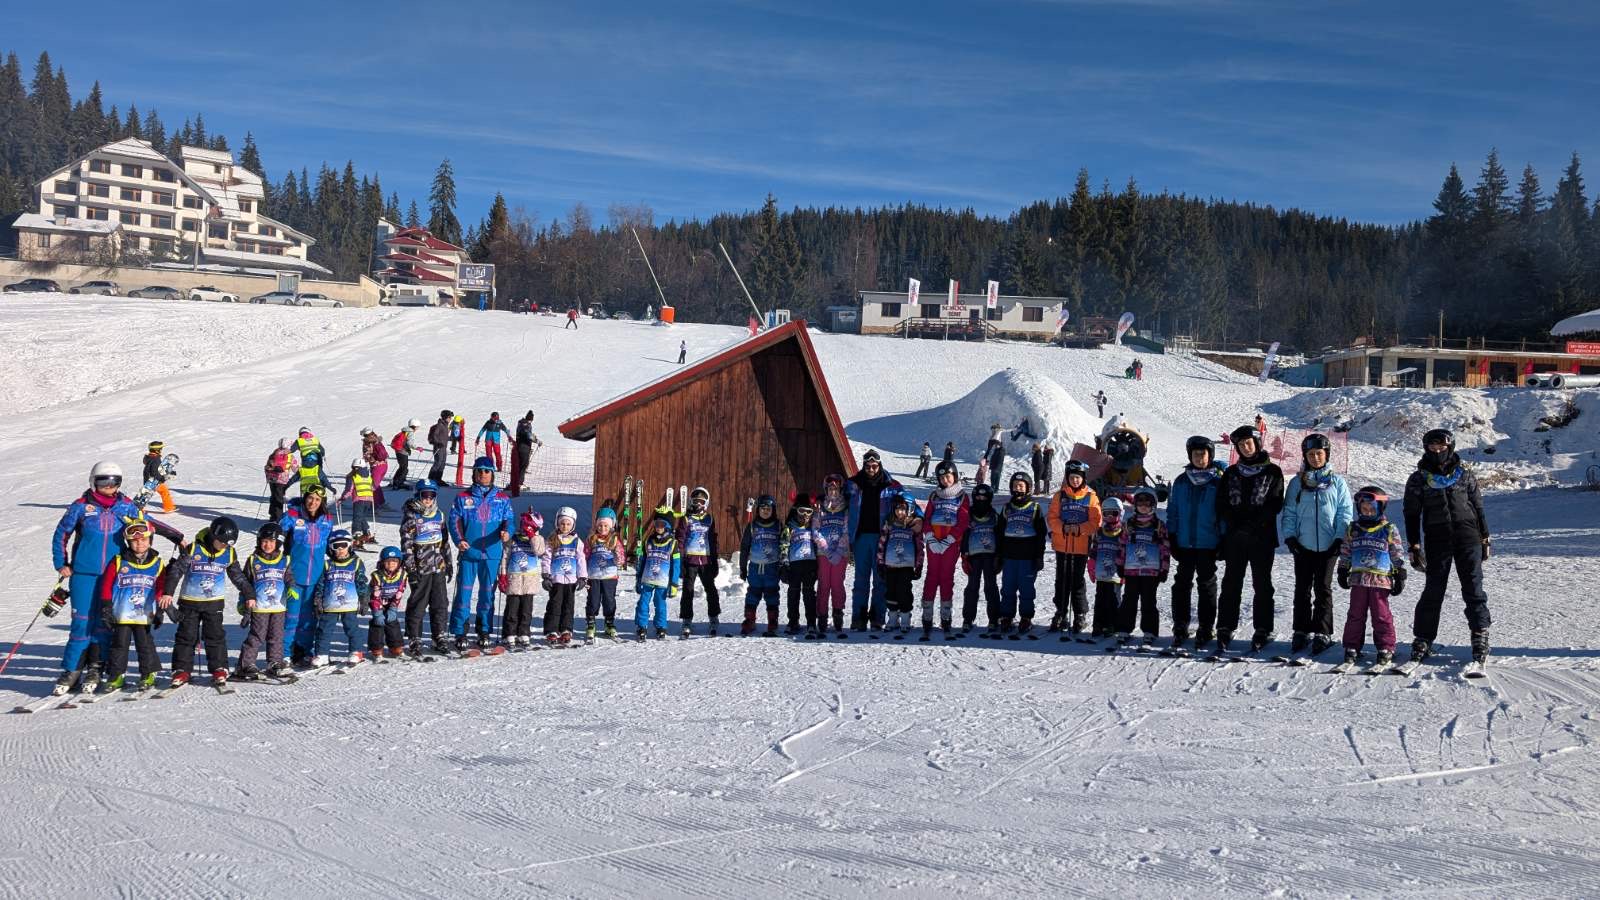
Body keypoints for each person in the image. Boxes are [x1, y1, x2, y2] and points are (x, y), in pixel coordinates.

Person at [50, 461, 184, 694]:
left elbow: (147, 523)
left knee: (105, 624)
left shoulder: (125, 506)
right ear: (93, 481)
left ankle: (96, 668)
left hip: (115, 574)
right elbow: (62, 533)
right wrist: (61, 563)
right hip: (84, 573)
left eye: (115, 482)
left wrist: (176, 536)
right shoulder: (80, 507)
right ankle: (72, 670)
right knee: (81, 622)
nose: (109, 486)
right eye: (104, 481)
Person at [1403, 428, 1492, 670]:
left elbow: (1478, 506)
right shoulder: (1419, 478)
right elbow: (1411, 513)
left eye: (1441, 446)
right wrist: (1414, 545)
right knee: (1434, 589)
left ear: (1450, 447)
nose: (1437, 450)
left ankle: (1480, 633)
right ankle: (1423, 637)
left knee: (1473, 586)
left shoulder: (1464, 475)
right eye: (1432, 447)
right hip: (1437, 538)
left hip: (1468, 537)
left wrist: (1485, 537)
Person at [1279, 433, 1353, 659]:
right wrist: (1290, 537)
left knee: (1323, 588)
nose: (1315, 457)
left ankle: (1322, 631)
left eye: (1319, 453)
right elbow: (1289, 512)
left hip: (1329, 545)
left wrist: (1339, 538)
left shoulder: (1337, 482)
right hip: (1304, 544)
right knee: (1302, 588)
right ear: (1305, 456)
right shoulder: (1297, 483)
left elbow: (1344, 513)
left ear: (1326, 455)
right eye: (1311, 454)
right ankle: (1301, 630)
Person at [161, 516, 254, 689]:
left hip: (214, 603)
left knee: (215, 636)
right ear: (213, 536)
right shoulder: (193, 549)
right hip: (189, 602)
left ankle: (219, 668)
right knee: (186, 636)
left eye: (228, 543)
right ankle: (181, 669)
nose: (224, 546)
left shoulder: (228, 553)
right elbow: (176, 571)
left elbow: (238, 577)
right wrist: (168, 593)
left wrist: (249, 595)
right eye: (222, 542)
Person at [1217, 424, 1286, 655]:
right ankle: (1225, 626)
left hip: (1262, 537)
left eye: (1249, 443)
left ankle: (1263, 628)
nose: (1246, 447)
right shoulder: (1231, 473)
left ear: (1257, 443)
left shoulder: (1273, 472)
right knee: (1231, 583)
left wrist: (1252, 524)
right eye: (1241, 444)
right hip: (1235, 538)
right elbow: (1222, 503)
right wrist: (1235, 524)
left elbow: (1274, 503)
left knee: (1262, 584)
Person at [1337, 486, 1408, 671]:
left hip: (1380, 581)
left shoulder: (1388, 529)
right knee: (1355, 614)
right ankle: (1352, 646)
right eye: (1364, 509)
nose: (1367, 512)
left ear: (1380, 508)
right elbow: (1346, 551)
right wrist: (1343, 569)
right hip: (1358, 580)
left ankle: (1386, 647)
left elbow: (1396, 553)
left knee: (1381, 615)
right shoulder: (1353, 529)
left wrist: (1399, 572)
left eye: (1371, 508)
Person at [448, 456, 514, 652]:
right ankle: (460, 631)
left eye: (487, 471)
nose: (483, 474)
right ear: (474, 473)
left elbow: (509, 520)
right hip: (470, 552)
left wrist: (507, 532)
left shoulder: (502, 499)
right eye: (479, 471)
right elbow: (454, 521)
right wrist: (459, 540)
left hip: (492, 553)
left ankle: (484, 630)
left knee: (487, 594)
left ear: (492, 474)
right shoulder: (463, 497)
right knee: (464, 594)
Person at [95, 516, 167, 694]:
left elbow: (161, 587)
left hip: (144, 614)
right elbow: (107, 584)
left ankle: (148, 673)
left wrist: (160, 609)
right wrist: (106, 606)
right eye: (134, 541)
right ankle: (116, 675)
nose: (139, 544)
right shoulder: (119, 561)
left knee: (145, 644)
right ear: (128, 542)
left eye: (143, 540)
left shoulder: (157, 563)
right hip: (122, 613)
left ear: (150, 540)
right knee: (119, 644)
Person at [1168, 436, 1225, 652]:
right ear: (1190, 456)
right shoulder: (1181, 481)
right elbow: (1173, 511)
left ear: (1210, 456)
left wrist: (1223, 539)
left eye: (1203, 454)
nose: (1200, 458)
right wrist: (1172, 536)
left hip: (1208, 543)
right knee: (1181, 585)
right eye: (1196, 454)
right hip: (1184, 542)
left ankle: (1205, 627)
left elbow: (1223, 514)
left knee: (1206, 585)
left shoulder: (1217, 482)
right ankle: (1180, 625)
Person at [845, 450, 901, 632]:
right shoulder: (853, 484)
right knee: (860, 579)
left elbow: (908, 503)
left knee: (880, 580)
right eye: (868, 466)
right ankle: (858, 618)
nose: (871, 469)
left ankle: (877, 617)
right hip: (860, 537)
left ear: (879, 465)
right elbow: (835, 497)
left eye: (874, 466)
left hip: (882, 538)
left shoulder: (891, 485)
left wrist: (917, 518)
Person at [279, 482, 335, 666]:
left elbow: (331, 546)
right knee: (291, 617)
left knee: (309, 619)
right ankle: (284, 653)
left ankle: (304, 651)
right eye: (310, 498)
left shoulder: (327, 520)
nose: (313, 502)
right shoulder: (292, 516)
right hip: (294, 576)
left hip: (316, 577)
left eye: (317, 499)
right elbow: (277, 538)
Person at [1047, 459, 1101, 635]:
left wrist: (1080, 528)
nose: (1075, 480)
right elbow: (1052, 518)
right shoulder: (1059, 496)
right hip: (1062, 545)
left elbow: (1096, 521)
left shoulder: (1091, 497)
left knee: (1077, 580)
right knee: (1061, 579)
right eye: (1072, 477)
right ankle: (1060, 611)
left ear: (1083, 478)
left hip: (1080, 546)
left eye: (1078, 477)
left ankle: (1079, 613)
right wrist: (1062, 527)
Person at [400, 479, 453, 657]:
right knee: (418, 604)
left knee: (440, 603)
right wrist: (411, 570)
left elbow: (444, 541)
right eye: (425, 495)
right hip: (420, 569)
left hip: (438, 567)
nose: (428, 499)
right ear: (418, 495)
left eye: (432, 495)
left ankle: (439, 636)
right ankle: (414, 638)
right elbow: (406, 546)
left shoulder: (439, 515)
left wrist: (448, 562)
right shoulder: (412, 517)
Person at [236, 523, 292, 681]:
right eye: (264, 541)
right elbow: (246, 583)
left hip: (278, 606)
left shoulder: (284, 560)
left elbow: (289, 578)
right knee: (257, 635)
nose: (267, 545)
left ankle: (275, 662)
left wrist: (292, 587)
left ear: (278, 543)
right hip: (259, 606)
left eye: (272, 542)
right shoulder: (253, 560)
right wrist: (243, 600)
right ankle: (246, 664)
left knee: (277, 635)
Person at [994, 471, 1047, 639]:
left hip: (1027, 557)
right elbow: (999, 533)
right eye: (1015, 486)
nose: (1018, 489)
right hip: (1009, 556)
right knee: (1008, 588)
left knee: (1026, 589)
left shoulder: (1035, 508)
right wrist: (998, 555)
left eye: (1021, 486)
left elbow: (1041, 535)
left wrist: (1039, 556)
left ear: (1028, 488)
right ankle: (1006, 616)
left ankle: (1026, 617)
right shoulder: (1007, 508)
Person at [1117, 487, 1171, 648]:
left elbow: (1165, 548)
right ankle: (1124, 628)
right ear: (1135, 505)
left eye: (1147, 505)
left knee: (1149, 601)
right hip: (1131, 570)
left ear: (1153, 506)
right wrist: (1120, 564)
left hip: (1151, 571)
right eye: (1140, 504)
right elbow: (1121, 545)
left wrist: (1164, 569)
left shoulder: (1158, 526)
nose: (1143, 508)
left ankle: (1150, 631)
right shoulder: (1129, 525)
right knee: (1129, 599)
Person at [920, 462, 969, 639]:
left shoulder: (962, 496)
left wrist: (950, 539)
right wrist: (929, 537)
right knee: (932, 576)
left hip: (950, 543)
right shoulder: (934, 496)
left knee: (946, 577)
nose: (945, 480)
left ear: (954, 476)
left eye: (948, 476)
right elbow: (927, 518)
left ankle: (945, 616)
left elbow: (964, 520)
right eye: (942, 477)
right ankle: (927, 615)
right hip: (934, 542)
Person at [310, 530, 368, 667]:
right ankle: (322, 654)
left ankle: (356, 651)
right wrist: (318, 600)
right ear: (331, 548)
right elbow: (321, 584)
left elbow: (361, 582)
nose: (340, 549)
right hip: (330, 604)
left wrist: (364, 598)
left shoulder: (356, 563)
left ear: (350, 545)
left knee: (352, 628)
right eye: (336, 546)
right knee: (324, 629)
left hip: (350, 604)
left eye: (343, 545)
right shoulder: (327, 564)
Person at [876, 490, 924, 639]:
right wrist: (880, 563)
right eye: (897, 508)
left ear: (910, 509)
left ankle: (905, 617)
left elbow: (919, 547)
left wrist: (919, 565)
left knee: (904, 591)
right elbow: (882, 544)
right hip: (891, 565)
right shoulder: (889, 525)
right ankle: (892, 617)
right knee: (890, 591)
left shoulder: (913, 526)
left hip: (906, 566)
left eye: (903, 509)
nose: (899, 512)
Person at [675, 487, 721, 635]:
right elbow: (680, 540)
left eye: (701, 502)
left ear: (706, 503)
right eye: (695, 501)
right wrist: (680, 562)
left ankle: (713, 617)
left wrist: (714, 561)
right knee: (688, 591)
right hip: (690, 561)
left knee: (711, 590)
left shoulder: (709, 519)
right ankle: (687, 619)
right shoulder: (686, 518)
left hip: (706, 561)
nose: (698, 504)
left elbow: (712, 541)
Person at [498, 512, 546, 649]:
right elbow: (505, 557)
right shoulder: (513, 539)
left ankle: (523, 632)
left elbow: (539, 551)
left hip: (529, 581)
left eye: (530, 527)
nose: (526, 530)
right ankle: (509, 633)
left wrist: (532, 536)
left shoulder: (538, 539)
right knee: (512, 609)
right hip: (514, 579)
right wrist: (502, 575)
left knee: (526, 610)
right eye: (525, 526)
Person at [780, 493, 824, 637]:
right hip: (794, 565)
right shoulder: (789, 527)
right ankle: (793, 621)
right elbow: (784, 546)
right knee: (793, 593)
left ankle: (811, 622)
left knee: (809, 594)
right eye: (802, 511)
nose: (805, 515)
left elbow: (818, 546)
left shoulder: (813, 528)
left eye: (808, 512)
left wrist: (818, 565)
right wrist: (784, 564)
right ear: (795, 510)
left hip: (810, 565)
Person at [542, 506, 587, 645]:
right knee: (555, 605)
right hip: (556, 579)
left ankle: (566, 630)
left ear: (572, 525)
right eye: (562, 523)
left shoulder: (577, 541)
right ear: (557, 523)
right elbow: (546, 558)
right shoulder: (552, 539)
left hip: (571, 580)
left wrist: (582, 577)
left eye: (568, 524)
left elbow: (581, 559)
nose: (565, 526)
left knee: (568, 606)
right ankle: (551, 630)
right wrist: (546, 575)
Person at [960, 483, 1001, 636]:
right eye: (978, 497)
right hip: (973, 556)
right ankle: (968, 619)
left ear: (989, 498)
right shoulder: (968, 515)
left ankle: (994, 619)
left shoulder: (994, 516)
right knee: (972, 587)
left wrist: (999, 556)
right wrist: (964, 555)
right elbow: (964, 536)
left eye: (984, 497)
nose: (981, 500)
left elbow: (1000, 536)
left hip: (990, 556)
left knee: (991, 587)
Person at [740, 495, 783, 636]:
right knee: (753, 594)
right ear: (758, 510)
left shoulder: (778, 526)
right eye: (762, 508)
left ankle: (772, 621)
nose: (765, 511)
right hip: (755, 567)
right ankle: (750, 619)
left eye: (768, 509)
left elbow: (784, 545)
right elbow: (745, 547)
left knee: (772, 594)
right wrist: (742, 567)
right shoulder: (752, 526)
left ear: (773, 510)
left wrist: (784, 566)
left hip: (772, 567)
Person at [635, 513, 681, 640]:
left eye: (662, 524)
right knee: (643, 603)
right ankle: (641, 626)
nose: (658, 527)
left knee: (660, 604)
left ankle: (661, 627)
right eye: (656, 524)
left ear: (668, 526)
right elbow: (642, 561)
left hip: (662, 581)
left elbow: (676, 565)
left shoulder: (673, 543)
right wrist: (638, 578)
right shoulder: (648, 541)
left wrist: (674, 583)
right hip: (648, 579)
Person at [815, 475, 850, 638]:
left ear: (840, 490)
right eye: (830, 489)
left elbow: (847, 530)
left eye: (835, 489)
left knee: (837, 584)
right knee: (824, 585)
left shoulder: (845, 508)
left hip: (840, 553)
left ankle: (838, 615)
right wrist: (826, 548)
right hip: (824, 553)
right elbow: (815, 529)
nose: (833, 491)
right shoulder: (820, 508)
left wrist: (839, 550)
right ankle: (822, 616)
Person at [1086, 497, 1126, 639]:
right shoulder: (1100, 531)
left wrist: (1125, 570)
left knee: (1113, 598)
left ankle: (1112, 624)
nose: (1109, 516)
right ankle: (1098, 624)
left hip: (1115, 574)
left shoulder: (1123, 532)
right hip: (1101, 572)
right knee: (1100, 598)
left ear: (1120, 513)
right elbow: (1094, 549)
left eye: (1113, 513)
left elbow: (1126, 552)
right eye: (1106, 513)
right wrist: (1091, 564)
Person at [585, 508, 625, 640]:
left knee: (609, 601)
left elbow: (621, 560)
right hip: (594, 576)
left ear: (611, 526)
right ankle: (591, 624)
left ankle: (609, 623)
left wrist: (618, 555)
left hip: (609, 576)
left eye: (606, 526)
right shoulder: (591, 539)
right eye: (600, 525)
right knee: (593, 601)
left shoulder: (614, 540)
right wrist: (583, 573)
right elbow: (584, 556)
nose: (602, 528)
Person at [368, 547, 409, 659]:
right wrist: (377, 612)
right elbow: (374, 595)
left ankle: (396, 647)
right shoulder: (377, 576)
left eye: (394, 561)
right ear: (382, 562)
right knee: (378, 623)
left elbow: (400, 592)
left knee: (392, 622)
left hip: (391, 602)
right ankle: (376, 649)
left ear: (399, 563)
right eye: (388, 561)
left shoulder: (402, 575)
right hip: (377, 602)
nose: (391, 564)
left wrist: (393, 607)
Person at [340, 458, 378, 550]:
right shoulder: (368, 476)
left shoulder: (353, 476)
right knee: (361, 517)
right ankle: (367, 533)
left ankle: (357, 537)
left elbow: (349, 490)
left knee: (357, 518)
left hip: (359, 500)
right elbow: (373, 487)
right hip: (369, 500)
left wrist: (343, 498)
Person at [510, 411, 542, 498]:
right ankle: (519, 483)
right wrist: (537, 441)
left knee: (519, 465)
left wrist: (532, 435)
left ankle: (514, 482)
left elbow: (525, 433)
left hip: (519, 445)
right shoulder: (526, 424)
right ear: (531, 419)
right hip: (524, 447)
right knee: (523, 465)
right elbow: (528, 435)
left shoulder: (520, 423)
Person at [141, 440, 176, 513]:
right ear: (157, 450)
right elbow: (156, 472)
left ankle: (139, 508)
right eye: (160, 449)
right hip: (155, 481)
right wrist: (163, 478)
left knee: (145, 495)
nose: (161, 450)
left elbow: (155, 469)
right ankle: (169, 508)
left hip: (148, 480)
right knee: (164, 492)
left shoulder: (149, 457)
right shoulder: (156, 459)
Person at [264, 438, 294, 521]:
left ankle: (272, 516)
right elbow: (295, 468)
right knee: (279, 498)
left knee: (274, 496)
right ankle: (278, 519)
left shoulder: (274, 453)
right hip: (282, 480)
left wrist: (268, 477)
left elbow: (267, 466)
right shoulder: (290, 456)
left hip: (272, 478)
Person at [293, 427, 330, 495]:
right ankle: (320, 494)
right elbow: (322, 450)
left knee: (308, 478)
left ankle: (308, 494)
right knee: (319, 477)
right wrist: (323, 455)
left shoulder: (299, 441)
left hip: (307, 464)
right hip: (318, 461)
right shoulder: (315, 440)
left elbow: (292, 449)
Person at [389, 418, 422, 490]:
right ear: (414, 426)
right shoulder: (410, 432)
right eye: (417, 427)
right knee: (404, 468)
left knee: (402, 467)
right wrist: (417, 448)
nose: (418, 428)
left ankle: (395, 482)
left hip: (399, 451)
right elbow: (410, 443)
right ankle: (399, 483)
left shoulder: (405, 431)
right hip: (403, 451)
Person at [362, 428, 389, 507]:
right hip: (384, 465)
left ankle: (375, 505)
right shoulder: (377, 440)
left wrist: (366, 460)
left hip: (376, 467)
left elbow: (367, 456)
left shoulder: (367, 443)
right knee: (376, 485)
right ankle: (381, 502)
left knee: (373, 485)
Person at [427, 411, 452, 483]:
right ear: (445, 417)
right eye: (449, 417)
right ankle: (430, 479)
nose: (450, 419)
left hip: (444, 448)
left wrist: (453, 438)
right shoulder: (440, 425)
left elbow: (444, 437)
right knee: (438, 463)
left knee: (442, 464)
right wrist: (437, 443)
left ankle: (438, 479)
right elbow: (434, 435)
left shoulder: (445, 426)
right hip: (438, 447)